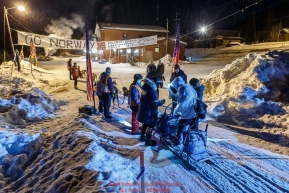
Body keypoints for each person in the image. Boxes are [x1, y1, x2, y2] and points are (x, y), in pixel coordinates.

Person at [169, 77, 198, 145]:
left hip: (188, 114)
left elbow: (182, 104)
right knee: (193, 130)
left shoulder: (181, 89)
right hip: (195, 112)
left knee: (181, 126)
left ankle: (178, 140)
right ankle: (194, 143)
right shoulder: (188, 87)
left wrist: (176, 111)